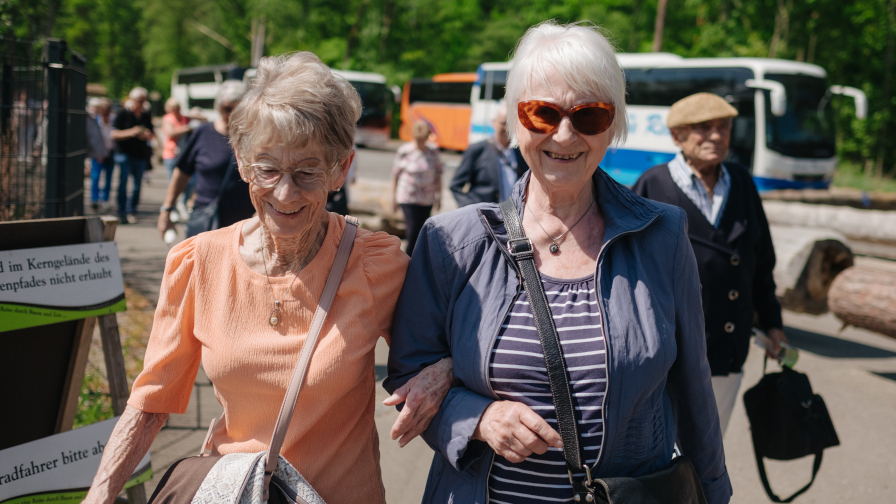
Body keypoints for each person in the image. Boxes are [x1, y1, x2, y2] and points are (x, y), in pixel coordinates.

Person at [83, 52, 455, 504]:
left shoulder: (373, 264)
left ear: (341, 168)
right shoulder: (198, 263)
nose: (284, 192)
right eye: (268, 169)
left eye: (306, 172)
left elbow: (452, 349)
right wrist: (98, 498)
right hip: (238, 493)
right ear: (241, 162)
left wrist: (444, 370)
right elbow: (150, 405)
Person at [385, 21, 731, 504]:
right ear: (514, 118)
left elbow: (695, 392)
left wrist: (715, 494)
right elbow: (408, 372)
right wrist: (478, 418)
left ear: (613, 123)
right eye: (542, 113)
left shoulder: (663, 235)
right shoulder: (453, 241)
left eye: (589, 115)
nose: (564, 134)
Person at [632, 92, 787, 435]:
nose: (716, 136)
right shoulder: (652, 186)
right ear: (677, 136)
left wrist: (773, 321)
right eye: (703, 128)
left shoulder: (742, 183)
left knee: (709, 452)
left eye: (724, 127)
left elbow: (761, 262)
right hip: (669, 356)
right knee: (667, 456)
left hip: (727, 350)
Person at [157, 81, 254, 239]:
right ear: (218, 106)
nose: (231, 114)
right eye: (227, 109)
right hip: (206, 222)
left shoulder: (255, 137)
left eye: (237, 109)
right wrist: (166, 210)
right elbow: (181, 172)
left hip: (244, 227)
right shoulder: (203, 132)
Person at [449, 105, 529, 207]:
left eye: (512, 124)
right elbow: (456, 186)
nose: (508, 128)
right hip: (486, 216)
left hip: (512, 215)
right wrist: (473, 209)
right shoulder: (477, 150)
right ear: (494, 123)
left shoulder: (522, 152)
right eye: (504, 123)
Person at [391, 121, 443, 256]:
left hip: (427, 198)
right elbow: (395, 176)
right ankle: (408, 258)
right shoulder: (405, 151)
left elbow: (438, 174)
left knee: (423, 230)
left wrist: (439, 196)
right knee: (412, 230)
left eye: (424, 139)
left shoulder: (433, 151)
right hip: (408, 196)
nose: (421, 142)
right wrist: (393, 198)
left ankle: (419, 258)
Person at [111, 87, 154, 224]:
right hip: (124, 154)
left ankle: (133, 210)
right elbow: (114, 134)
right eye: (139, 100)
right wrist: (132, 132)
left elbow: (151, 134)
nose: (141, 103)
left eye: (143, 101)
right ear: (133, 100)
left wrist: (146, 135)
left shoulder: (146, 116)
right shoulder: (123, 114)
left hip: (140, 155)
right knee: (123, 184)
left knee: (137, 186)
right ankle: (122, 211)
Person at [160, 97, 198, 221]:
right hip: (172, 155)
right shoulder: (167, 119)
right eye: (174, 108)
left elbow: (201, 119)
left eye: (178, 107)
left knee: (190, 182)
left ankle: (183, 203)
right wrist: (187, 128)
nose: (177, 110)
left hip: (185, 154)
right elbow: (171, 133)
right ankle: (173, 209)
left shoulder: (184, 117)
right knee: (174, 183)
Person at [86, 98, 112, 212]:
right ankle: (94, 199)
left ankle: (105, 199)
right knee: (95, 177)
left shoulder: (113, 120)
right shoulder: (94, 120)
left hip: (111, 153)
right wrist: (98, 152)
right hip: (97, 154)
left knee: (108, 178)